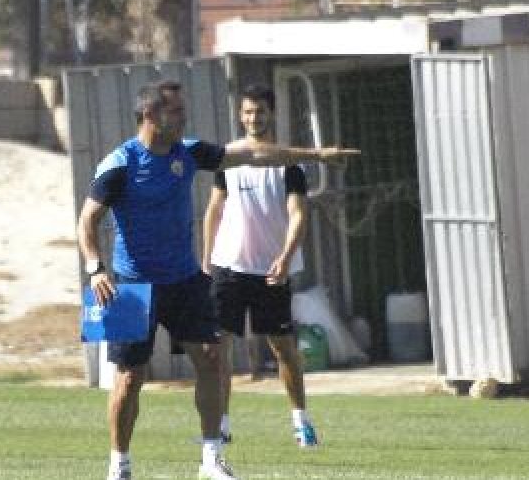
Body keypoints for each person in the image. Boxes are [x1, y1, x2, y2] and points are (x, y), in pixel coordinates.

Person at [77, 80, 359, 480]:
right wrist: (95, 267)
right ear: (151, 115)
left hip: (185, 280)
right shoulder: (119, 163)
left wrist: (315, 155)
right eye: (176, 111)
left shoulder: (188, 152)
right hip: (130, 286)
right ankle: (119, 465)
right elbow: (87, 220)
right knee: (128, 379)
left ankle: (211, 459)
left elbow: (252, 152)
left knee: (211, 360)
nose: (184, 117)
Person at [202, 84, 324, 449]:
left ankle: (301, 423)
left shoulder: (290, 164)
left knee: (283, 349)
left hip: (272, 271)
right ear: (240, 116)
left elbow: (299, 213)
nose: (254, 118)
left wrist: (285, 257)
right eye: (248, 112)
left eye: (261, 112)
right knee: (217, 350)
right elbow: (214, 209)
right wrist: (206, 261)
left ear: (273, 114)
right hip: (228, 268)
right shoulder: (228, 158)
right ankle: (220, 426)